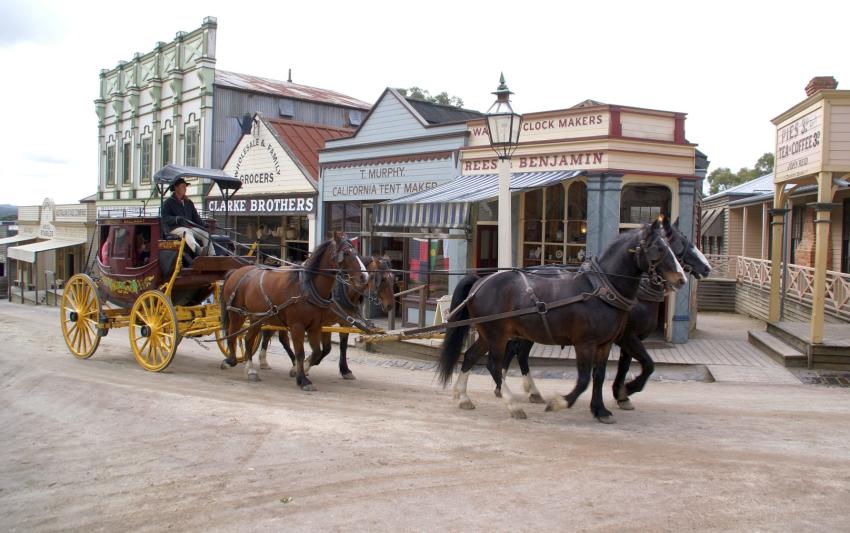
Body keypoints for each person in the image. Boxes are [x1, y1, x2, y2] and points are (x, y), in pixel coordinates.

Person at [162, 177, 211, 256]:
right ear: (176, 188)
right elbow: (165, 218)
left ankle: (212, 255)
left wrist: (204, 225)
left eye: (185, 187)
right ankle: (198, 250)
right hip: (174, 229)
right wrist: (176, 219)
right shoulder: (168, 202)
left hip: (188, 227)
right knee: (186, 232)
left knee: (205, 233)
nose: (185, 189)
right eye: (183, 187)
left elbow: (196, 217)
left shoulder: (188, 202)